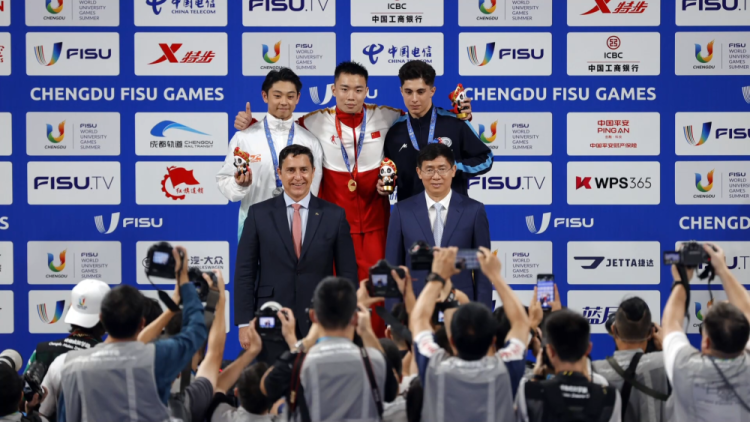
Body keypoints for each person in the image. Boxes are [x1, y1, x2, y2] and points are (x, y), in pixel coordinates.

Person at [233, 61, 473, 336]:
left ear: (367, 91)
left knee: (380, 290)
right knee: (336, 293)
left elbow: (422, 116)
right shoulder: (314, 120)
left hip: (376, 224)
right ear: (333, 90)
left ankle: (381, 348)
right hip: (332, 227)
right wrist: (252, 125)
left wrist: (461, 115)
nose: (351, 96)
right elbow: (282, 129)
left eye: (358, 90)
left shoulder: (386, 116)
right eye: (344, 89)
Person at [56, 246, 209, 422]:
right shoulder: (157, 357)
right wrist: (184, 283)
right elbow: (196, 330)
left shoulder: (72, 366)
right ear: (142, 323)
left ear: (101, 319)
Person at [234, 144, 357, 341]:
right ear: (279, 173)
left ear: (313, 172)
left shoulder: (335, 215)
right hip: (270, 317)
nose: (298, 177)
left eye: (304, 170)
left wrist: (349, 318)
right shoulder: (258, 214)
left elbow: (347, 274)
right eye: (291, 170)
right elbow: (245, 272)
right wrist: (244, 322)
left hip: (323, 319)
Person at [410, 247, 529, 422]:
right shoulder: (505, 369)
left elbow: (418, 319)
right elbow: (521, 322)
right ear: (493, 341)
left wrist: (438, 276)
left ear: (452, 340)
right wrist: (495, 276)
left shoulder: (434, 367)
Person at [261, 276, 399, 422]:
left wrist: (306, 341)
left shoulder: (298, 365)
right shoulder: (374, 361)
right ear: (355, 317)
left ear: (313, 316)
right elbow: (393, 390)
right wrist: (367, 332)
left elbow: (266, 387)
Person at [216, 68, 323, 243]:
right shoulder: (244, 138)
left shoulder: (310, 141)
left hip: (297, 230)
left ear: (298, 98)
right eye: (277, 95)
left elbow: (314, 191)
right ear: (265, 96)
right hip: (253, 229)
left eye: (290, 96)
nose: (284, 102)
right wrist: (239, 185)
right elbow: (225, 181)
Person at [385, 143, 492, 307]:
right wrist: (393, 316)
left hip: (460, 307)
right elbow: (393, 268)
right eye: (429, 170)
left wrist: (482, 315)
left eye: (442, 169)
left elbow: (483, 269)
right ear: (419, 172)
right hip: (416, 306)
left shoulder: (474, 211)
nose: (436, 176)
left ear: (453, 170)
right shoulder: (402, 212)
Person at [662, 242, 750, 421]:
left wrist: (681, 280)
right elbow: (746, 311)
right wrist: (723, 270)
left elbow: (671, 323)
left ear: (706, 342)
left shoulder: (684, 368)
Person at [383, 60, 492, 202]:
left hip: (453, 210)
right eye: (408, 92)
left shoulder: (454, 123)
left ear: (432, 91)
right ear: (401, 91)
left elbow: (486, 159)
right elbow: (389, 171)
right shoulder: (394, 131)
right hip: (410, 212)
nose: (414, 99)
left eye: (420, 92)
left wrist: (453, 167)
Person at [516, 310, 622, 422]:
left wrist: (536, 377)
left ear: (550, 351)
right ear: (588, 349)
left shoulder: (529, 392)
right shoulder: (609, 396)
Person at [34, 279, 110, 421]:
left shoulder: (42, 351)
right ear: (106, 318)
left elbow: (35, 409)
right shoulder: (113, 358)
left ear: (70, 309)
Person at [592, 297, 669, 422]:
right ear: (651, 332)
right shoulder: (664, 362)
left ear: (613, 330)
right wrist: (666, 344)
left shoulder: (594, 370)